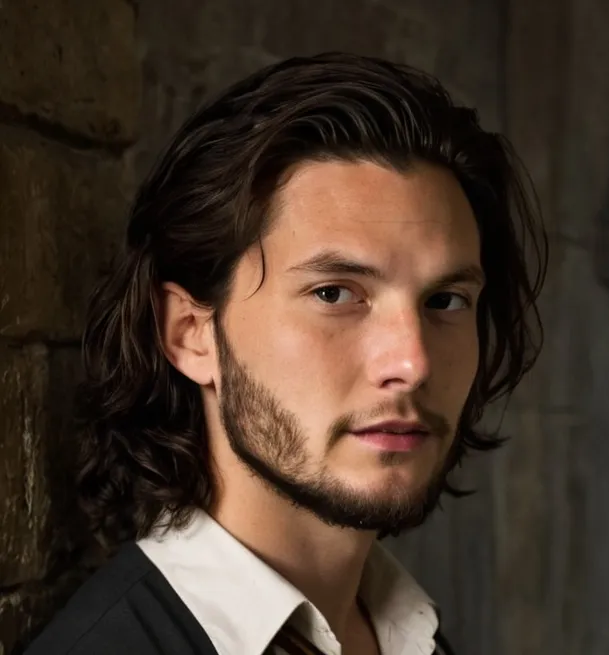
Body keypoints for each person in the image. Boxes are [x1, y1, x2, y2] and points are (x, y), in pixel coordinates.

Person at [26, 52, 546, 655]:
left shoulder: (410, 633)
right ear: (191, 333)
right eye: (334, 294)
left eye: (446, 300)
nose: (412, 363)